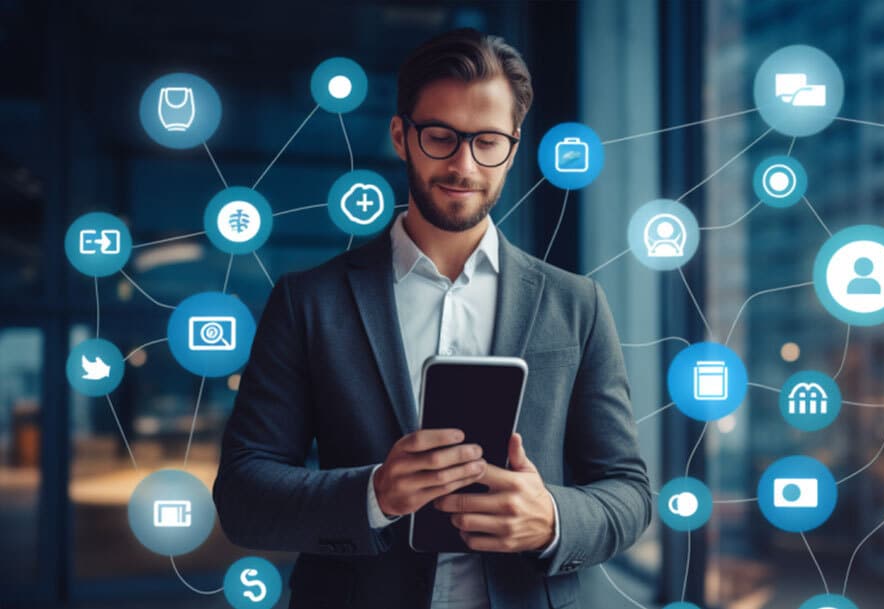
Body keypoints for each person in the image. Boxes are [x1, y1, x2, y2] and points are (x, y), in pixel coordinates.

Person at [213, 28, 651, 609]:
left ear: (514, 148)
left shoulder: (577, 304)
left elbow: (630, 493)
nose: (464, 165)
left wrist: (551, 518)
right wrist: (374, 494)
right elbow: (244, 495)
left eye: (488, 141)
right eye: (441, 137)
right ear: (401, 135)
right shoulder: (308, 302)